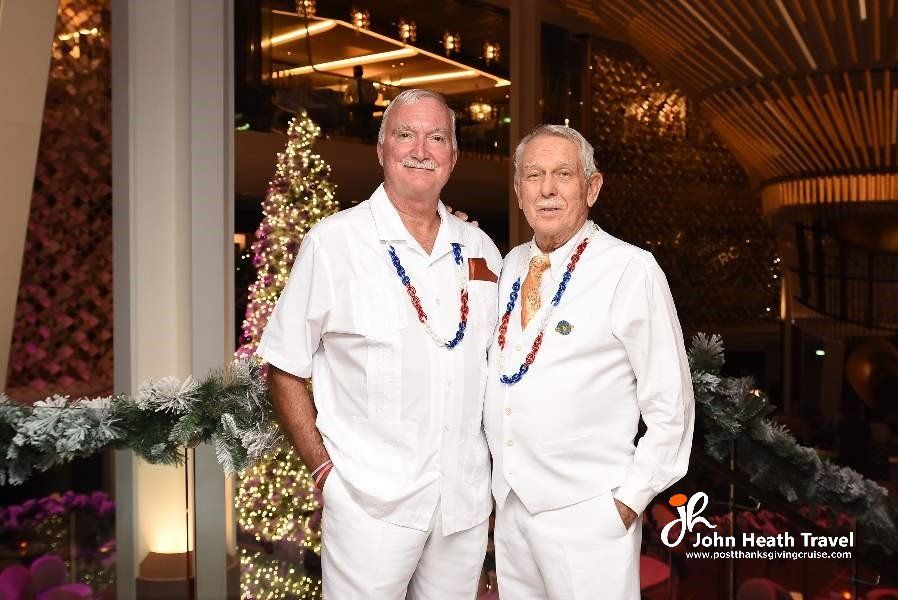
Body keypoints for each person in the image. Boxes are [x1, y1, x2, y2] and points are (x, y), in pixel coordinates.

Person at [257, 88, 501, 599]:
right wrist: (325, 471)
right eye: (405, 134)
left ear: (453, 158)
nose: (421, 148)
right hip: (370, 506)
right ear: (381, 148)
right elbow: (283, 365)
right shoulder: (334, 242)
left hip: (462, 502)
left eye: (437, 137)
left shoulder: (479, 249)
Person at [483, 124, 695, 599]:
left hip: (590, 515)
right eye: (534, 175)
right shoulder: (511, 265)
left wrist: (628, 500)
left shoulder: (630, 270)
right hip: (512, 510)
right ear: (519, 192)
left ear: (592, 187)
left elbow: (671, 403)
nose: (548, 189)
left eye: (564, 174)